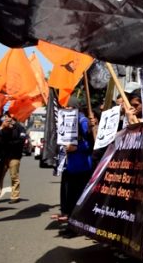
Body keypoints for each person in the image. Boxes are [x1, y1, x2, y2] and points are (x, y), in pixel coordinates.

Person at [59, 97, 93, 226]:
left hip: (82, 166)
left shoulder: (83, 121)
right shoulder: (65, 120)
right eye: (65, 107)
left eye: (70, 107)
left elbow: (92, 142)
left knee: (80, 198)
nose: (67, 109)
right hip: (70, 166)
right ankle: (72, 223)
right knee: (70, 198)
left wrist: (77, 147)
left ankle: (78, 224)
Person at [0, 112, 27, 204]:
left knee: (14, 176)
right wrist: (5, 128)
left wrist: (9, 143)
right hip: (3, 156)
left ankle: (15, 196)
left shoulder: (20, 127)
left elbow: (21, 141)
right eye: (5, 116)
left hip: (15, 156)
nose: (6, 118)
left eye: (8, 116)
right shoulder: (4, 126)